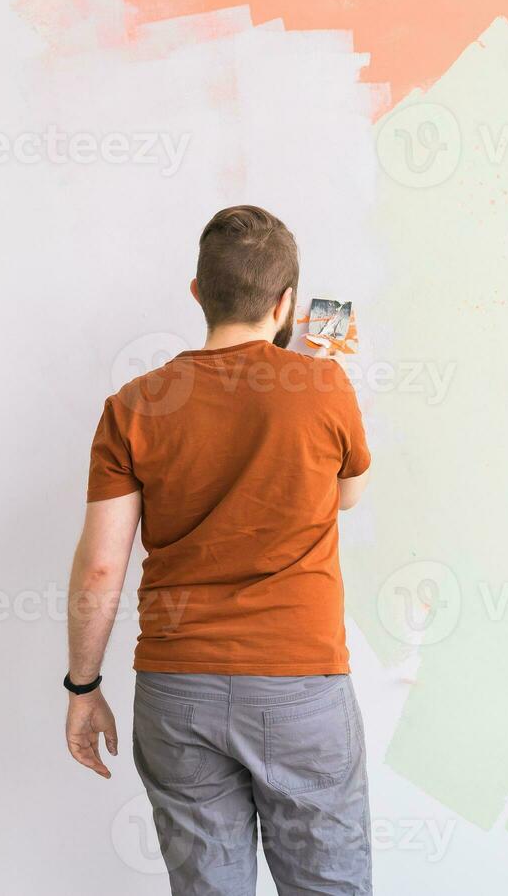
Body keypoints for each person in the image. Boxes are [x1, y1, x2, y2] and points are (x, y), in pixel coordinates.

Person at [61, 205, 373, 894]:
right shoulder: (322, 384)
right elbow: (345, 498)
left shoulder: (134, 405)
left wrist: (83, 686)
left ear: (199, 292)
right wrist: (309, 373)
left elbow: (103, 566)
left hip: (179, 691)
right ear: (286, 302)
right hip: (301, 684)